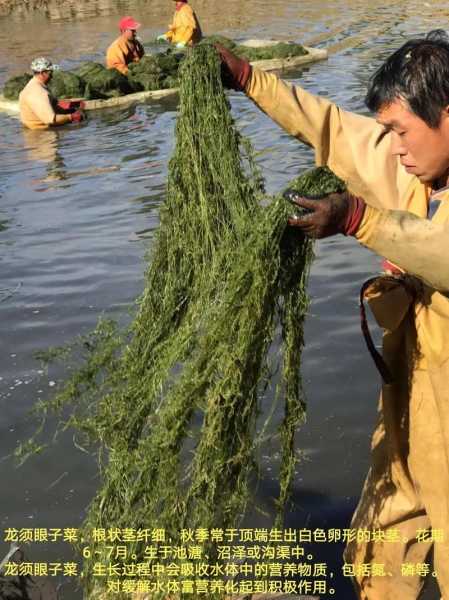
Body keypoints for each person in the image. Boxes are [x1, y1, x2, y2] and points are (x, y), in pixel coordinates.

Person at [218, 31, 449, 600]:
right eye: (389, 131)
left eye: (402, 131)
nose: (393, 147)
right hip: (413, 393)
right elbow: (331, 129)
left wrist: (360, 221)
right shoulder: (415, 171)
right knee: (381, 544)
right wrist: (250, 80)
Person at [19, 57, 84, 130]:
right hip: (43, 135)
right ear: (42, 73)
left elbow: (49, 109)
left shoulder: (33, 86)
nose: (52, 76)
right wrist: (71, 117)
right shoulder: (38, 93)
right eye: (50, 73)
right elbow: (51, 120)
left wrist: (68, 111)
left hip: (33, 132)